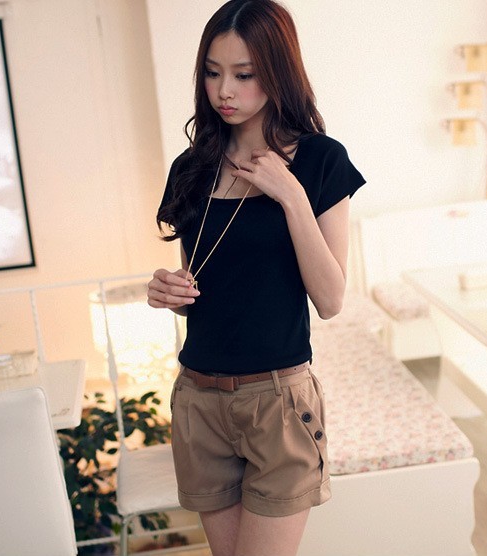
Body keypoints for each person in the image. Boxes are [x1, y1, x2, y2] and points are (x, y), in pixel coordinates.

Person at [147, 1, 365, 554]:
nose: (225, 91)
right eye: (213, 72)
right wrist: (170, 291)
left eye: (244, 75)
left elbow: (331, 298)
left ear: (277, 71)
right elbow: (206, 285)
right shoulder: (191, 168)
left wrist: (291, 195)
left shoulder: (319, 161)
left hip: (278, 404)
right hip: (199, 402)